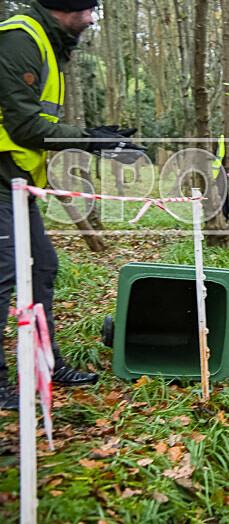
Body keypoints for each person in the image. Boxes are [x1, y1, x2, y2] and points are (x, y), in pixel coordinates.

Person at [0, 0, 145, 410]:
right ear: (67, 8)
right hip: (1, 178)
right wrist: (90, 139)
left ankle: (47, 363)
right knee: (4, 275)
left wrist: (95, 137)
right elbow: (25, 126)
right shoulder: (19, 40)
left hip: (17, 182)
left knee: (43, 267)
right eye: (89, 10)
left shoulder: (47, 42)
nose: (94, 19)